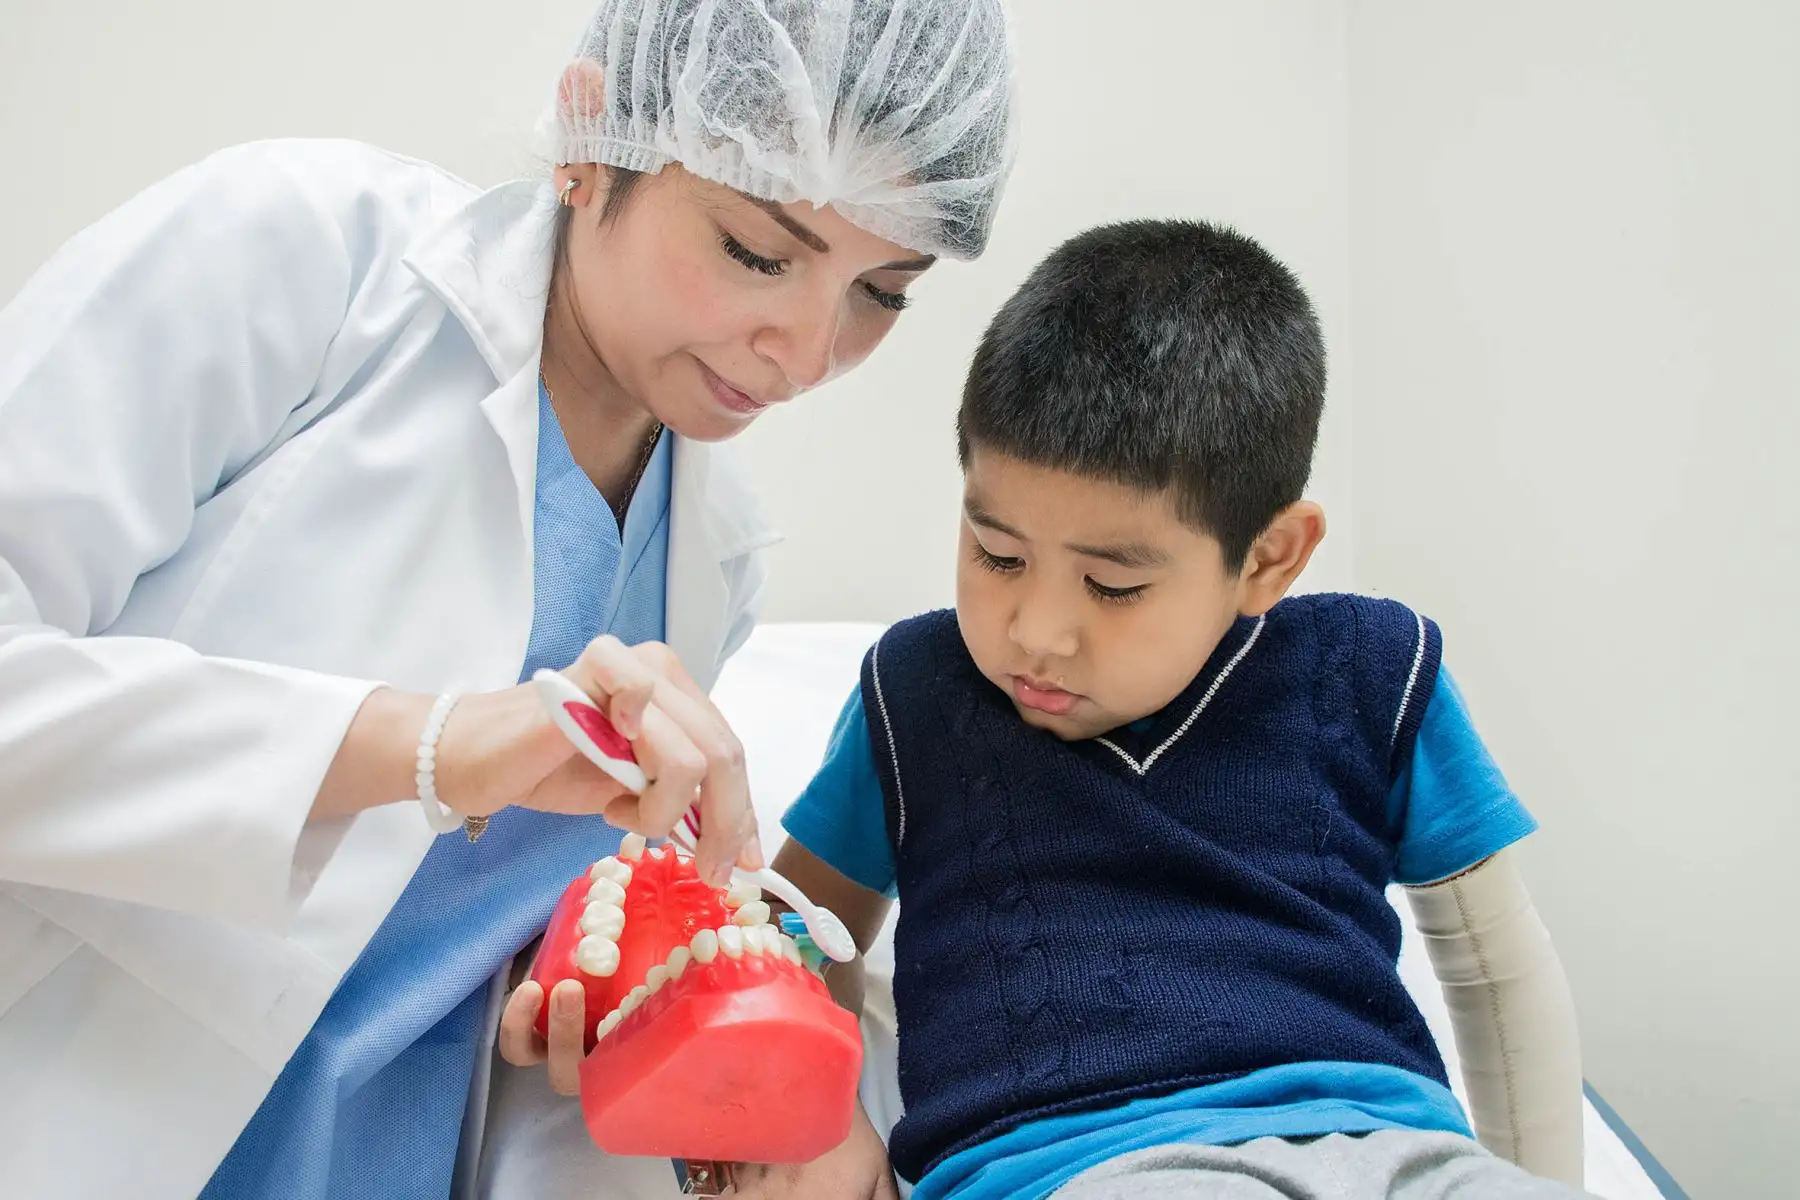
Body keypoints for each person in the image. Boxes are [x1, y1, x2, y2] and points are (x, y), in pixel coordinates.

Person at [0, 1, 1016, 1196]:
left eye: (882, 292)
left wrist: (606, 982)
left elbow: (427, 942)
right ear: (592, 137)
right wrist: (433, 745)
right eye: (757, 252)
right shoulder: (308, 256)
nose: (803, 350)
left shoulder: (713, 560)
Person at [771, 220, 1591, 1199]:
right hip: (1088, 1163)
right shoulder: (916, 697)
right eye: (997, 555)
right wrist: (820, 1125)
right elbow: (793, 926)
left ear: (1270, 557)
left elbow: (1498, 974)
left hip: (1392, 1143)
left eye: (1112, 586)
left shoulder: (1370, 673)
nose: (1038, 631)